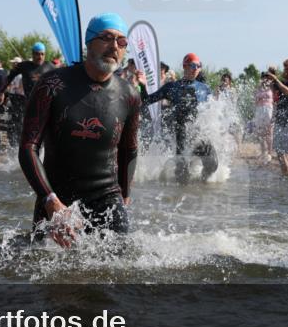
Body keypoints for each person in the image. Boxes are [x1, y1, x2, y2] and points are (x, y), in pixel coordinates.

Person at [19, 13, 140, 246]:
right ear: (89, 42)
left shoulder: (130, 95)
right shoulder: (53, 85)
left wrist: (125, 195)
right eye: (106, 37)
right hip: (58, 196)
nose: (114, 46)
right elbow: (28, 147)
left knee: (124, 267)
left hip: (106, 197)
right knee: (40, 267)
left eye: (121, 41)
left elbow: (129, 150)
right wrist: (50, 200)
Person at [143, 52, 217, 183]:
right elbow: (148, 100)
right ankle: (180, 198)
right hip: (181, 134)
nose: (196, 69)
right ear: (185, 66)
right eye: (193, 65)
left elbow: (212, 111)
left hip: (199, 133)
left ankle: (203, 186)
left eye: (198, 66)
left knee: (212, 164)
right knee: (182, 175)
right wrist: (143, 86)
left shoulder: (205, 89)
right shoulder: (172, 87)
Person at [252, 73, 275, 160]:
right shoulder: (258, 88)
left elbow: (274, 100)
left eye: (267, 78)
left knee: (269, 132)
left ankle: (270, 152)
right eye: (263, 78)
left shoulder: (272, 87)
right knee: (260, 132)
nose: (265, 80)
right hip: (259, 109)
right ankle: (263, 152)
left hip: (269, 109)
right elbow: (254, 99)